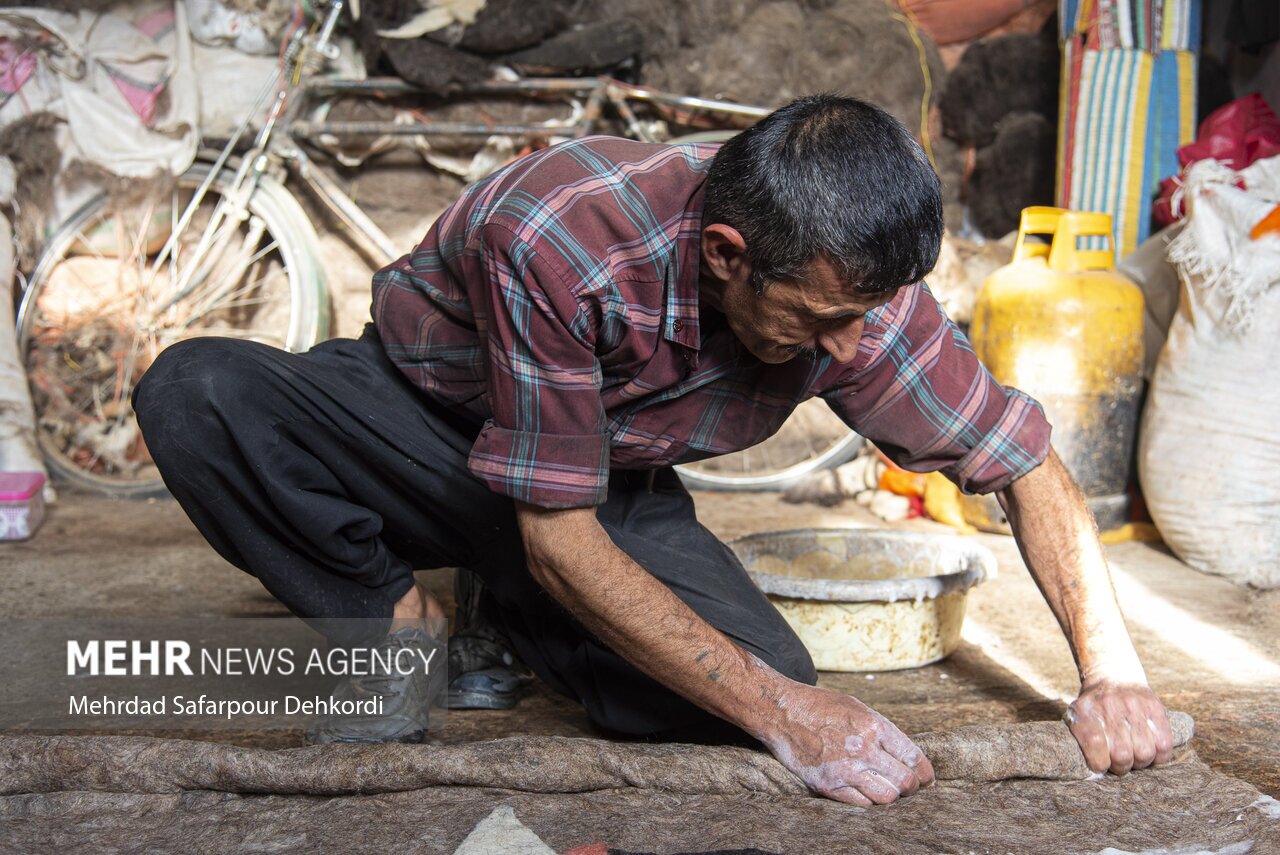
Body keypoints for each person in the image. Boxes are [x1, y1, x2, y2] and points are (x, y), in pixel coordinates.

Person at [134, 95, 1174, 806]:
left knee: (748, 695)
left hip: (600, 484)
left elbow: (1024, 463)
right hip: (418, 425)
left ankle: (504, 616)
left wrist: (1110, 676)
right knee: (198, 392)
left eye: (866, 314)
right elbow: (557, 537)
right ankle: (396, 621)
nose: (851, 348)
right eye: (820, 320)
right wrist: (789, 720)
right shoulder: (559, 233)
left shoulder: (859, 301)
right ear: (726, 255)